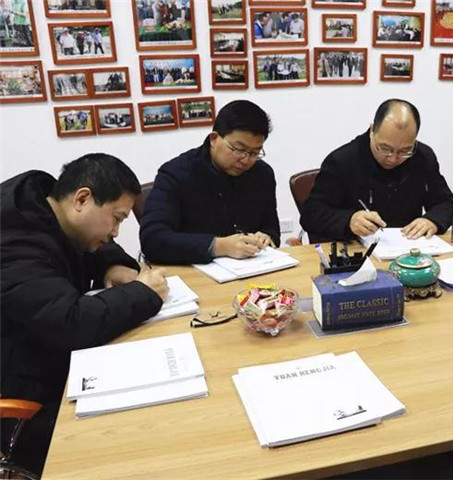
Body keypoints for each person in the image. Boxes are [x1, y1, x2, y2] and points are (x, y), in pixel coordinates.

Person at [0, 154, 169, 476]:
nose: (116, 232)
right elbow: (69, 323)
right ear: (82, 199)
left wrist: (111, 264)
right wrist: (143, 293)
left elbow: (79, 243)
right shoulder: (12, 245)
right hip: (26, 395)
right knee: (142, 436)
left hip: (49, 357)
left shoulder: (46, 208)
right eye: (116, 218)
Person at [140, 100, 280, 265]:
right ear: (214, 139)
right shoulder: (177, 173)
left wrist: (266, 237)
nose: (245, 160)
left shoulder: (262, 174)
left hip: (251, 269)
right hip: (192, 271)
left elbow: (271, 227)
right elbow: (152, 239)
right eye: (239, 149)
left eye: (254, 153)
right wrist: (218, 246)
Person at [300, 99, 453, 241]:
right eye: (385, 148)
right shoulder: (342, 161)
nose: (393, 158)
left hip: (408, 249)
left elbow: (447, 202)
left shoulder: (423, 157)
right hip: (356, 251)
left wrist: (432, 220)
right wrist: (349, 220)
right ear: (372, 130)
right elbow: (311, 214)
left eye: (405, 151)